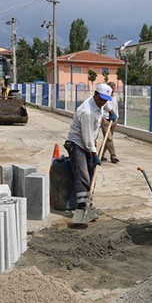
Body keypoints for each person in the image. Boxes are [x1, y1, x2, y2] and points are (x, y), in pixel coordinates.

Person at [63, 83, 113, 214]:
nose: (103, 102)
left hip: (90, 142)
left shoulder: (101, 103)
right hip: (78, 144)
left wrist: (111, 112)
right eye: (101, 98)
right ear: (95, 94)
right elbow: (87, 138)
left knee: (92, 174)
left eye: (105, 99)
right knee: (83, 175)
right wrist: (95, 154)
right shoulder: (87, 112)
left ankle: (88, 204)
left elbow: (106, 104)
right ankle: (81, 207)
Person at [100, 81, 119, 163]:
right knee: (109, 138)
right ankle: (113, 156)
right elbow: (101, 108)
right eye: (112, 88)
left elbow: (116, 107)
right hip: (106, 120)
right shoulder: (105, 97)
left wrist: (116, 117)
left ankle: (100, 155)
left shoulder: (115, 96)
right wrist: (102, 117)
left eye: (114, 88)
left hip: (114, 120)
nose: (114, 90)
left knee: (107, 139)